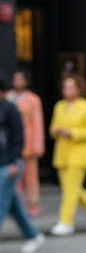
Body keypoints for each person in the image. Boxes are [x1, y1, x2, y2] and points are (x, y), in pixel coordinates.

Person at [49, 74, 86, 236]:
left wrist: (72, 133)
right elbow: (53, 127)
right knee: (71, 188)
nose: (67, 90)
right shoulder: (59, 106)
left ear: (79, 89)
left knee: (70, 190)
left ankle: (66, 221)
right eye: (65, 87)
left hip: (79, 154)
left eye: (71, 87)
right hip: (62, 153)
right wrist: (56, 131)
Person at [0, 73, 45, 253]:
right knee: (12, 204)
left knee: (2, 201)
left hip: (10, 163)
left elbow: (19, 138)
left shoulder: (11, 109)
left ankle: (33, 235)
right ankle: (33, 235)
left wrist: (13, 162)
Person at [9, 69, 45, 216]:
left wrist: (38, 144)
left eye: (21, 79)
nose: (18, 82)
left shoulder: (32, 99)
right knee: (12, 177)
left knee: (30, 177)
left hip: (29, 142)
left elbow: (37, 122)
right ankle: (14, 206)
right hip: (11, 144)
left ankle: (32, 205)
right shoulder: (9, 98)